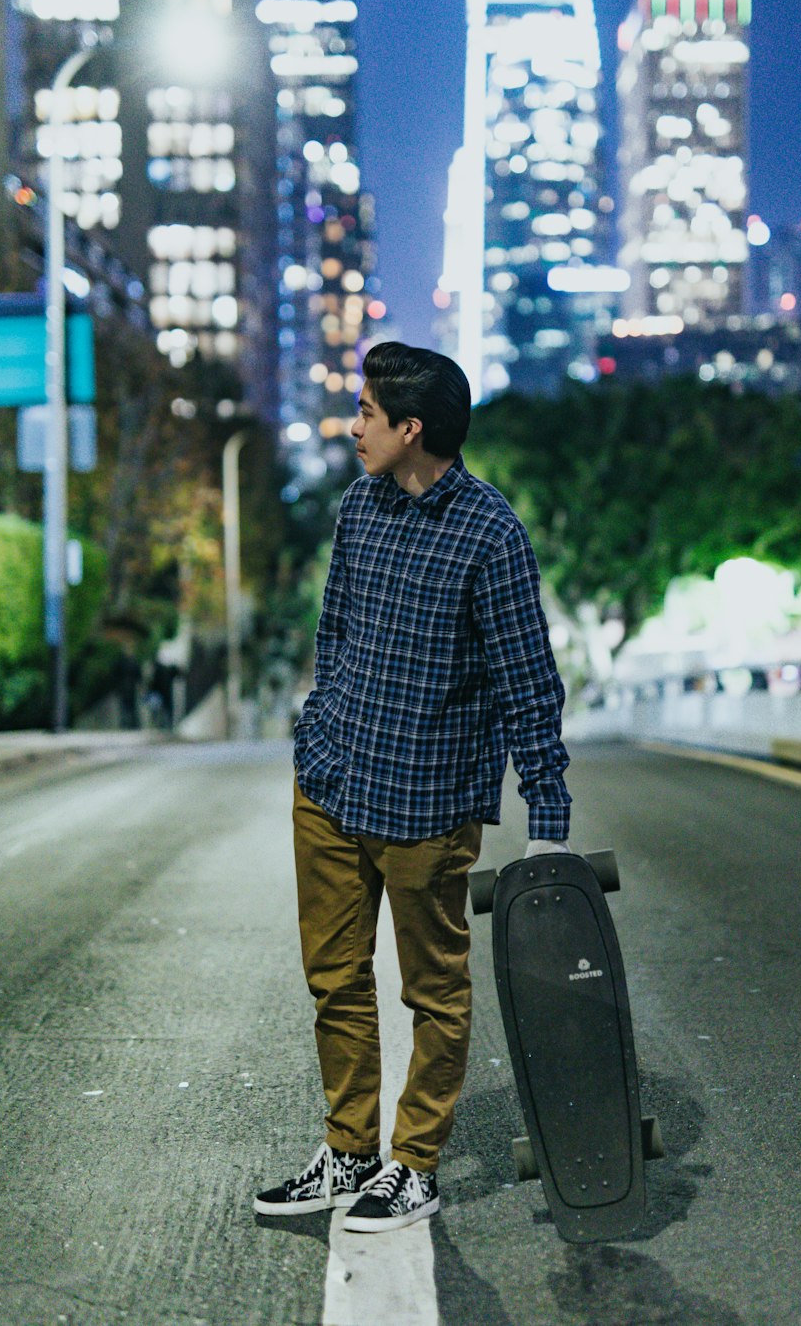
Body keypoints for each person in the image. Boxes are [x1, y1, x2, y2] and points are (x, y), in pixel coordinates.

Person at [254, 343, 571, 1233]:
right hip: (333, 779)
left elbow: (527, 681)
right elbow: (336, 631)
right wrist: (317, 730)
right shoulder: (359, 507)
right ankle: (348, 1151)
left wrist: (548, 815)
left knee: (433, 989)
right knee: (334, 976)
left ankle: (415, 1163)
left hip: (426, 805)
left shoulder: (491, 536)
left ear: (412, 428)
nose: (353, 427)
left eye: (365, 413)